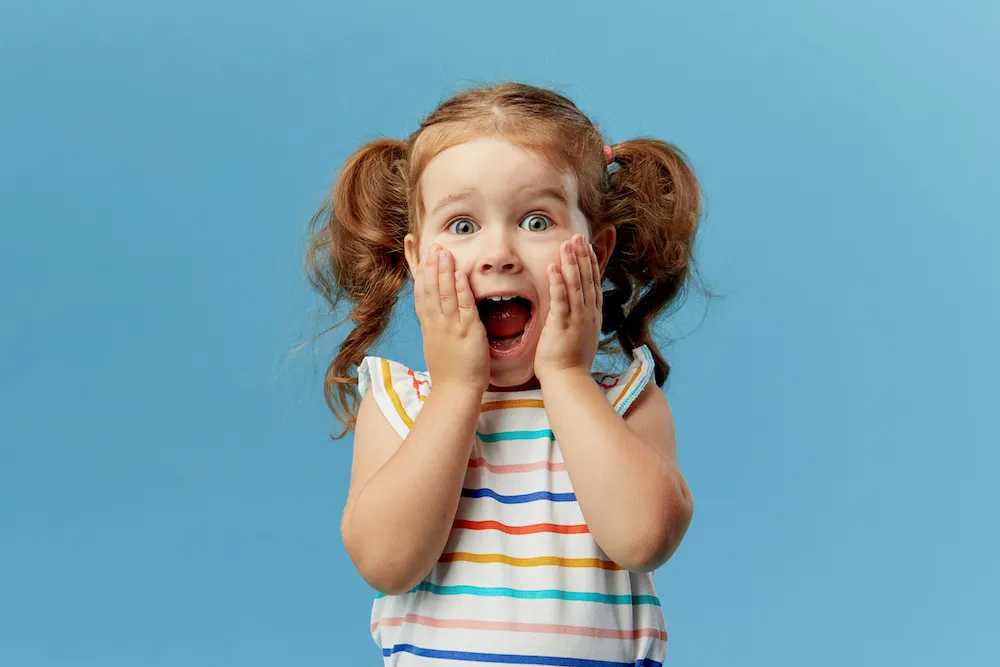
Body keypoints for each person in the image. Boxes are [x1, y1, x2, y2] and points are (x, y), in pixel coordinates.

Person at [306, 82, 703, 666]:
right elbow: (386, 562)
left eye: (537, 221)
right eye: (462, 226)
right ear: (417, 261)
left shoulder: (626, 403)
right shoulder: (399, 405)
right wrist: (457, 388)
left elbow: (644, 540)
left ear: (594, 251)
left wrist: (566, 376)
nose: (500, 253)